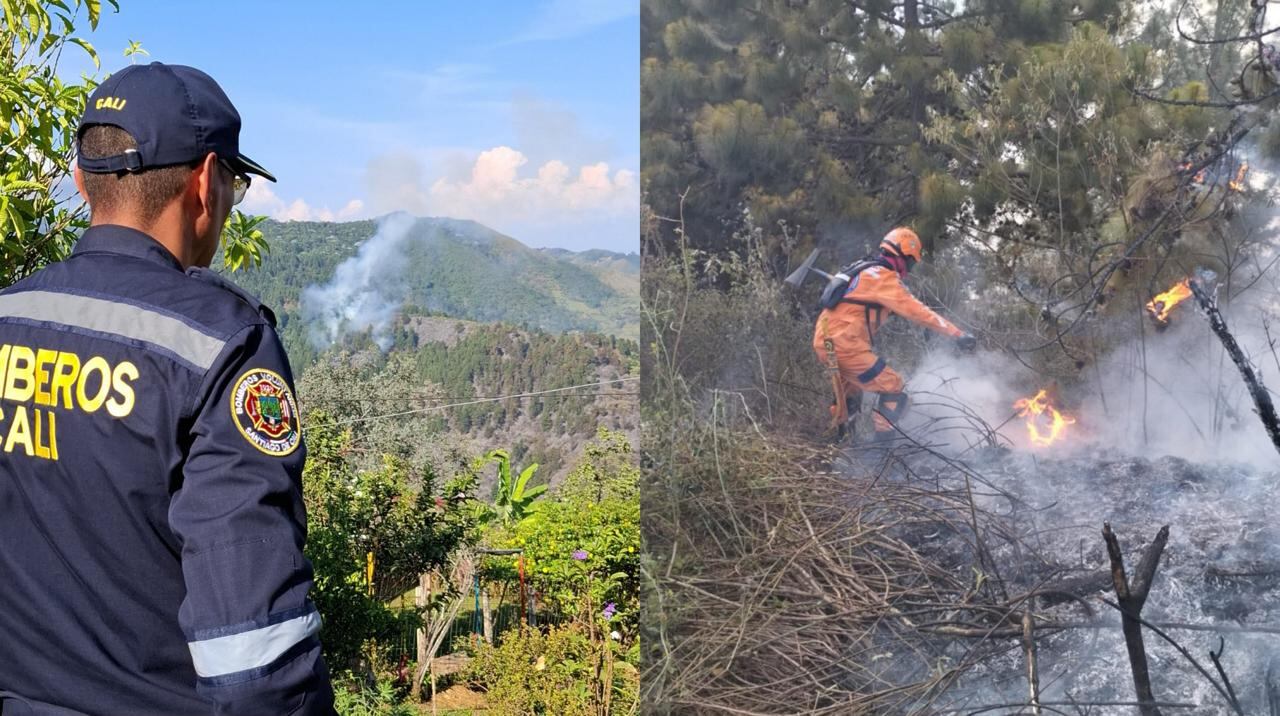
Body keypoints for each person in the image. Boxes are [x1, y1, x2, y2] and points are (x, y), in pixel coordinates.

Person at [0, 63, 334, 714]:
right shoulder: (222, 347)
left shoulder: (9, 316)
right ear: (208, 183)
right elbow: (255, 659)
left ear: (80, 180)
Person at [812, 227, 976, 441]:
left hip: (825, 342)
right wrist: (957, 334)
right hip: (846, 344)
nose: (908, 269)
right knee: (893, 386)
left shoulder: (862, 270)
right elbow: (917, 311)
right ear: (902, 257)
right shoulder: (883, 277)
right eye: (910, 263)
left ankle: (844, 446)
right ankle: (883, 450)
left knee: (848, 394)